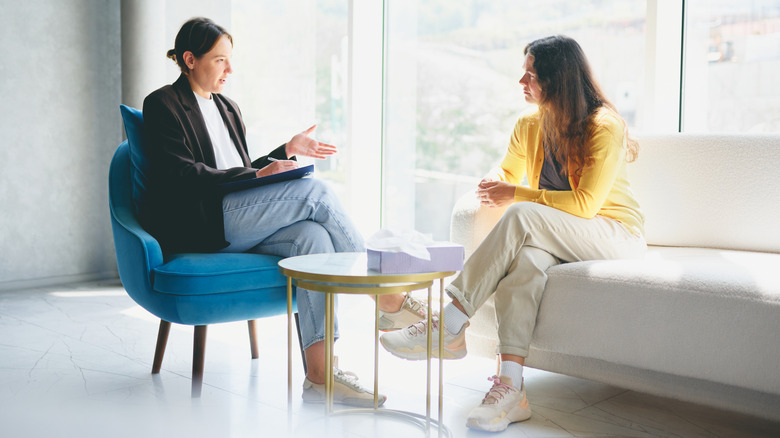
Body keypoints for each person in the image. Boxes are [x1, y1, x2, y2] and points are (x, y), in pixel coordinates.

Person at [142, 17, 428, 407]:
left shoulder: (228, 107)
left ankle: (320, 374)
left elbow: (239, 169)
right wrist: (259, 172)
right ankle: (387, 297)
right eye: (220, 60)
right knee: (318, 193)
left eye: (230, 60)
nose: (230, 70)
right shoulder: (163, 103)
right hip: (203, 222)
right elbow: (183, 174)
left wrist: (285, 152)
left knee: (314, 239)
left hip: (237, 219)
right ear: (190, 60)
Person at [380, 35, 646, 432]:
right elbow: (509, 170)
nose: (522, 82)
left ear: (558, 81)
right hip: (559, 234)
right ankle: (511, 389)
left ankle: (450, 321)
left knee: (521, 213)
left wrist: (516, 193)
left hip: (612, 233)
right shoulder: (529, 123)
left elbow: (586, 205)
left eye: (532, 75)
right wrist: (495, 181)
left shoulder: (603, 127)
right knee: (525, 265)